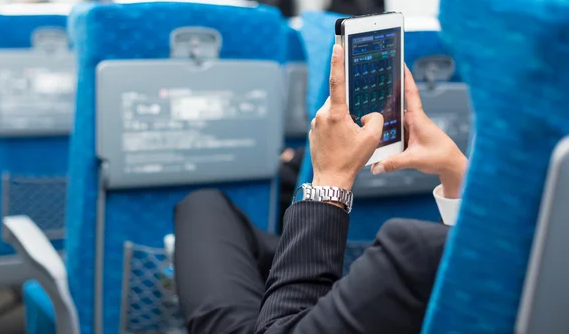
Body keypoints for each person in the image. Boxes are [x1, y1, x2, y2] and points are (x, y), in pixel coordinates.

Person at [173, 44, 468, 333]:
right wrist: (456, 175)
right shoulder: (505, 262)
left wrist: (331, 180)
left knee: (202, 206)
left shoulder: (410, 251)